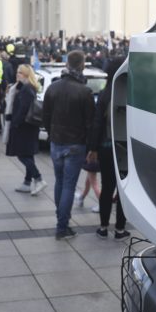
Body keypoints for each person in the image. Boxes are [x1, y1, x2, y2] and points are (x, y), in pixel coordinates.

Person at [42, 49, 95, 240]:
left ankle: (61, 221)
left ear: (66, 64)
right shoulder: (85, 91)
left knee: (60, 183)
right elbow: (90, 123)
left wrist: (51, 134)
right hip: (75, 144)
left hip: (57, 142)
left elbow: (45, 117)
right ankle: (62, 226)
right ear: (82, 65)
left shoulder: (53, 88)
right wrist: (91, 147)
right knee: (68, 186)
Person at [87, 57, 130, 240]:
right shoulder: (131, 92)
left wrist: (93, 148)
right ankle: (120, 229)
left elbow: (97, 123)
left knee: (107, 187)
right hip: (125, 149)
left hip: (105, 147)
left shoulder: (105, 94)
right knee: (123, 190)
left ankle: (103, 227)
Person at [6, 64, 46, 196]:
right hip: (29, 127)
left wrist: (15, 124)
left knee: (22, 154)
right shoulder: (28, 87)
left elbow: (22, 110)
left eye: (21, 73)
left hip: (23, 127)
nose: (18, 74)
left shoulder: (26, 89)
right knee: (28, 154)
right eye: (17, 72)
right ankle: (27, 182)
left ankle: (38, 178)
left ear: (27, 75)